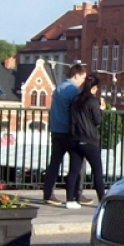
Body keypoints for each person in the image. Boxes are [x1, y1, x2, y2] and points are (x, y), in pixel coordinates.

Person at [41, 63, 88, 205]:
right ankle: (77, 194)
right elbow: (81, 110)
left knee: (55, 162)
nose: (83, 81)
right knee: (79, 164)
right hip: (70, 132)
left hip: (56, 129)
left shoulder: (58, 88)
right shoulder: (73, 90)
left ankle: (48, 194)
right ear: (77, 75)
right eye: (83, 78)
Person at [65, 75, 105, 208]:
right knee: (97, 171)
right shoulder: (93, 101)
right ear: (94, 88)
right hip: (89, 140)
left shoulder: (75, 99)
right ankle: (102, 201)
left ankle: (70, 200)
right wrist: (101, 110)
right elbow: (98, 120)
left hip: (74, 139)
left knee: (73, 170)